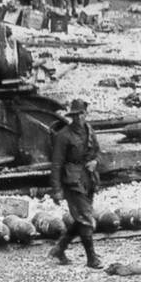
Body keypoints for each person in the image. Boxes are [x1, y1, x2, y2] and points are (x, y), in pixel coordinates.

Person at [49, 99, 103, 269]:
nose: (79, 117)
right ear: (72, 116)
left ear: (86, 114)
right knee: (86, 217)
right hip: (72, 181)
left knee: (81, 217)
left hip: (89, 178)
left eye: (82, 114)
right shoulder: (63, 136)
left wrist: (95, 161)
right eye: (76, 115)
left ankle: (59, 248)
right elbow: (56, 164)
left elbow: (98, 152)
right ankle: (91, 258)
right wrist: (57, 190)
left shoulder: (90, 131)